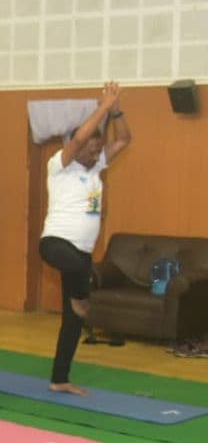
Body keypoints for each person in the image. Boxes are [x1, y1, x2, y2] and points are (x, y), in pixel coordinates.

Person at [39, 83, 131, 394]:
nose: (96, 153)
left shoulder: (96, 167)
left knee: (73, 322)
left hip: (81, 252)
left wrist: (116, 110)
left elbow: (125, 139)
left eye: (98, 148)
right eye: (91, 149)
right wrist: (103, 106)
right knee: (79, 273)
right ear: (77, 148)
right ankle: (80, 296)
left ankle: (59, 379)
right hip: (55, 243)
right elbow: (79, 137)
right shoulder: (59, 165)